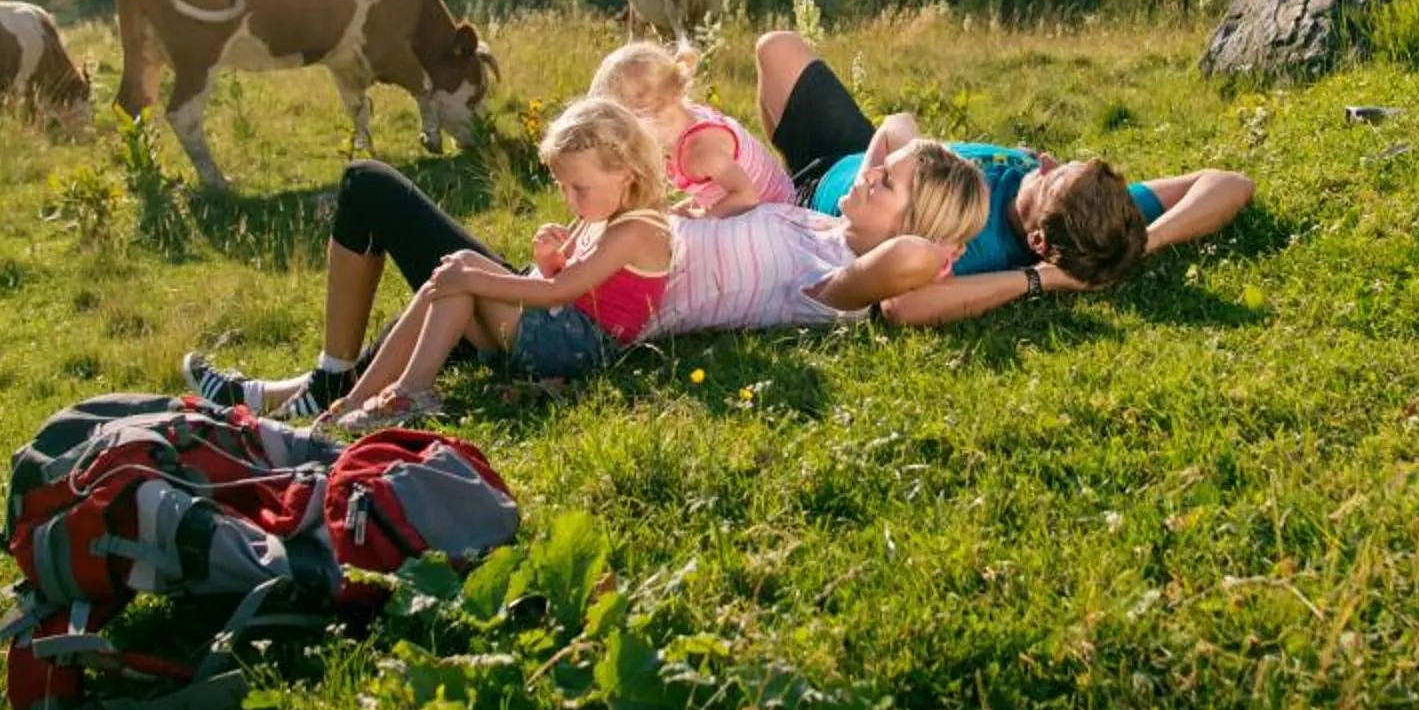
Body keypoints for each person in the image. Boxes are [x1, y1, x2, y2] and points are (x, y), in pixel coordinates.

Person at [184, 99, 996, 419]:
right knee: (437, 273)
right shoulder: (814, 226)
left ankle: (328, 386)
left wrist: (979, 253)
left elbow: (906, 266)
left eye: (886, 184)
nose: (870, 171)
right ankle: (313, 388)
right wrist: (910, 165)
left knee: (373, 191)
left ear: (911, 228)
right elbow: (895, 122)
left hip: (585, 311)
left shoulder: (829, 284)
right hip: (584, 280)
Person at [753, 28, 1256, 327]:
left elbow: (903, 305)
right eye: (1065, 164)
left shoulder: (973, 244)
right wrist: (1143, 244)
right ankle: (786, 160)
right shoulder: (1095, 213)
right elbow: (1229, 182)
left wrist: (1040, 280)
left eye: (1049, 180)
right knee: (776, 48)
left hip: (822, 203)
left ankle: (782, 180)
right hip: (863, 156)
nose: (1046, 163)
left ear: (1037, 239)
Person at [311, 96, 675, 427]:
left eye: (578, 188)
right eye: (562, 187)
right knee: (458, 267)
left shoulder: (638, 230)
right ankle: (356, 398)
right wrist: (548, 261)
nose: (569, 199)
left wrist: (475, 280)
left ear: (625, 173)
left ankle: (412, 390)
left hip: (577, 348)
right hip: (560, 333)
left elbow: (559, 291)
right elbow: (565, 281)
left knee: (462, 276)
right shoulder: (601, 213)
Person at [592, 40, 798, 218]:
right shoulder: (685, 121)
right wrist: (677, 212)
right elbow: (713, 193)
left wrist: (696, 219)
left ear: (651, 113)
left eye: (623, 132)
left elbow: (746, 197)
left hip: (776, 217)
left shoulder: (700, 150)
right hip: (757, 209)